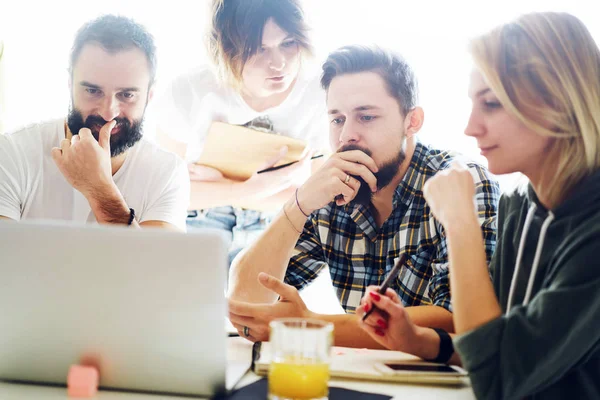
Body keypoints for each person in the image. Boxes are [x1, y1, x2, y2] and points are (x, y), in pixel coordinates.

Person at [357, 12, 600, 399]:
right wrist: (419, 340)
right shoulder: (520, 205)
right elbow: (502, 344)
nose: (470, 127)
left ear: (559, 104)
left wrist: (459, 221)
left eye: (492, 104)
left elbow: (500, 379)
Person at [227, 45, 501, 348]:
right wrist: (299, 204)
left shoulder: (461, 183)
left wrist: (308, 324)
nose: (346, 136)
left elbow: (461, 319)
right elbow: (245, 303)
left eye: (366, 117)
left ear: (412, 121)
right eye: (337, 119)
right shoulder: (328, 191)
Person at [154, 0, 328, 260]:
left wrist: (218, 186)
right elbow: (163, 195)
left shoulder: (320, 95)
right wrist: (248, 190)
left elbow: (314, 201)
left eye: (288, 43)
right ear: (225, 49)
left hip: (276, 222)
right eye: (258, 49)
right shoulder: (189, 91)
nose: (279, 63)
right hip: (198, 221)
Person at [0, 15, 189, 230]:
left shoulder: (166, 173)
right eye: (92, 91)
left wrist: (100, 190)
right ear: (70, 85)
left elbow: (158, 263)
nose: (109, 113)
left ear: (149, 96)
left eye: (126, 95)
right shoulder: (12, 154)